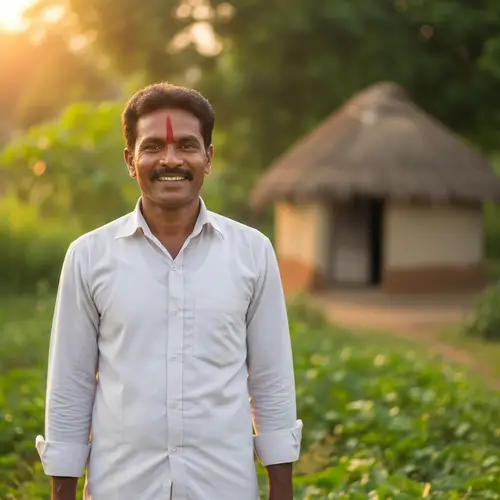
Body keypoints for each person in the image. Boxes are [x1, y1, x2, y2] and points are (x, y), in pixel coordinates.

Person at [35, 82, 302, 500]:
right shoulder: (89, 256)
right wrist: (62, 489)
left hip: (223, 486)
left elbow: (271, 379)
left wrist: (281, 488)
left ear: (208, 158)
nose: (171, 160)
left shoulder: (253, 252)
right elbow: (70, 383)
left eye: (188, 147)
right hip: (121, 487)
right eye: (154, 146)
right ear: (130, 160)